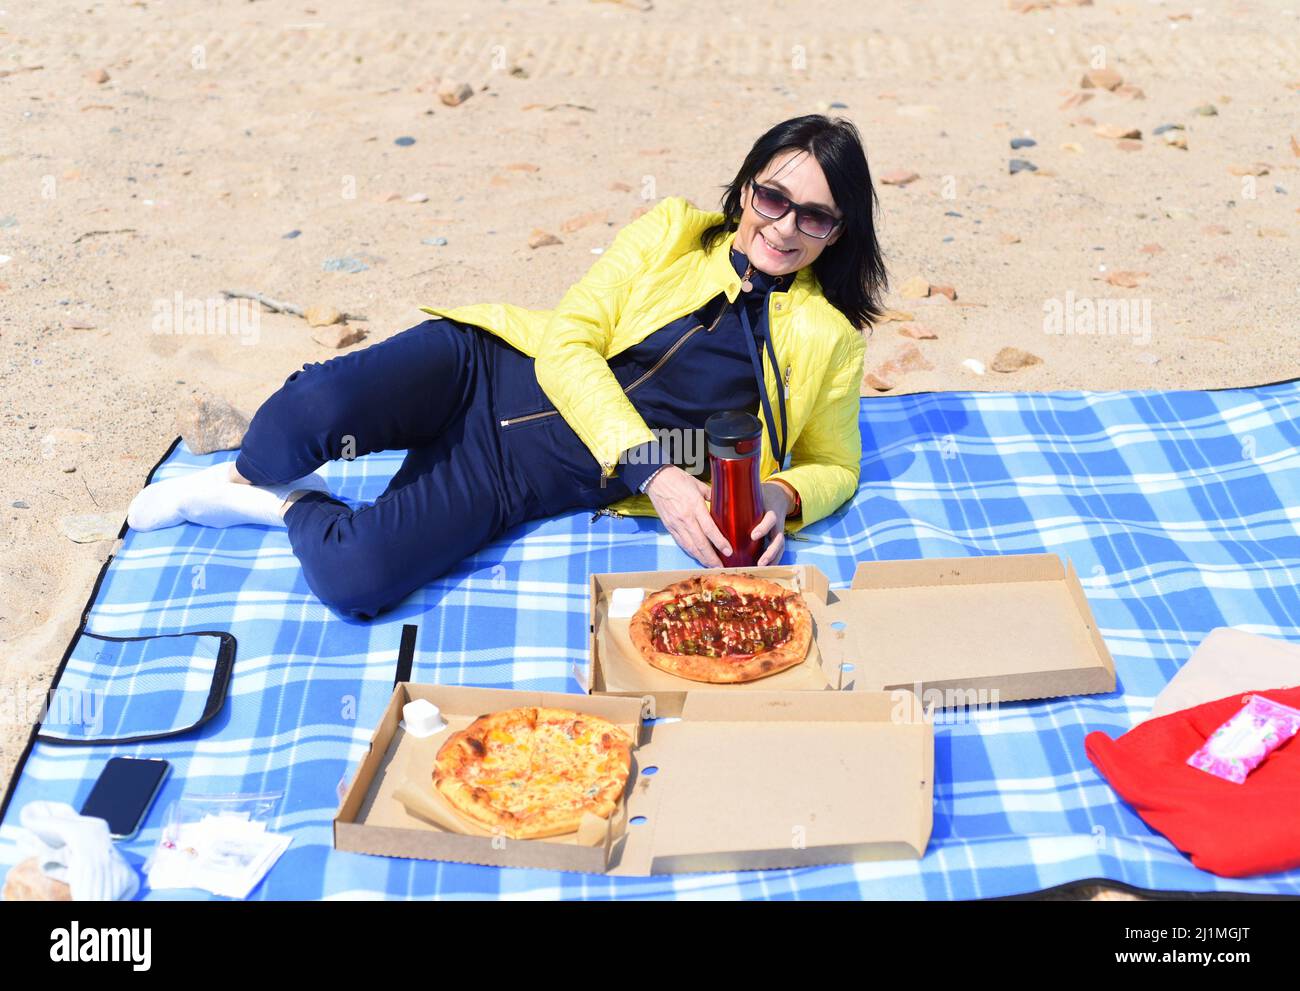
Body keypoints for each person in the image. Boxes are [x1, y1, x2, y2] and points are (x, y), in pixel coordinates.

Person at [127, 114, 887, 619]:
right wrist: (656, 470)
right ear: (747, 185)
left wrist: (781, 494)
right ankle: (253, 476)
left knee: (356, 579)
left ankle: (285, 505)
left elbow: (837, 464)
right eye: (772, 196)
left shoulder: (828, 339)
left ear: (838, 230)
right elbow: (568, 342)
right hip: (482, 367)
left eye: (813, 215)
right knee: (282, 433)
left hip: (521, 474)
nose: (783, 227)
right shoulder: (671, 232)